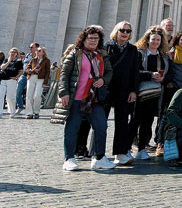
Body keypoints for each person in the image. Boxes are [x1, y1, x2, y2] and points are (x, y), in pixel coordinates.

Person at [59, 26, 115, 171]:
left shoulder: (102, 55)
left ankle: (99, 158)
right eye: (90, 38)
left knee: (101, 126)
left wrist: (103, 80)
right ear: (83, 39)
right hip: (77, 97)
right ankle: (69, 158)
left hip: (94, 98)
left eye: (96, 38)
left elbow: (109, 72)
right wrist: (63, 92)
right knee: (73, 127)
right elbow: (64, 74)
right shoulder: (75, 53)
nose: (93, 41)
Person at [103, 21, 140, 165]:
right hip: (107, 88)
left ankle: (120, 153)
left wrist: (134, 91)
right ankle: (98, 154)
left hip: (124, 90)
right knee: (101, 123)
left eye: (128, 31)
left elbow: (135, 72)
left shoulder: (133, 50)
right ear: (116, 31)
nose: (125, 33)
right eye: (122, 30)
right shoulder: (106, 46)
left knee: (122, 122)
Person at [132, 26, 171, 160]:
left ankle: (142, 149)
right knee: (135, 121)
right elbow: (134, 71)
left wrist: (163, 78)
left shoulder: (164, 56)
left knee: (147, 122)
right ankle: (126, 148)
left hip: (156, 94)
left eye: (158, 40)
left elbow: (170, 74)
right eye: (153, 39)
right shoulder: (139, 53)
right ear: (147, 40)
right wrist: (150, 75)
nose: (155, 42)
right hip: (139, 93)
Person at [23, 46, 50, 119]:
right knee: (29, 95)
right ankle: (29, 113)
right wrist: (33, 70)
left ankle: (36, 112)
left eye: (39, 50)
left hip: (41, 79)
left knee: (37, 95)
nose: (37, 51)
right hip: (31, 77)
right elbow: (27, 69)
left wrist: (45, 82)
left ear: (43, 52)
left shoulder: (46, 61)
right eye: (37, 50)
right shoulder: (33, 60)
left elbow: (48, 72)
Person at [1, 47, 25, 118]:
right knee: (0, 96)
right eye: (11, 52)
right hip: (3, 79)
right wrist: (9, 61)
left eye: (14, 52)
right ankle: (0, 112)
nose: (12, 53)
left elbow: (21, 71)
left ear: (17, 54)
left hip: (12, 80)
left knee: (10, 97)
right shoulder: (6, 60)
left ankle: (12, 112)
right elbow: (2, 68)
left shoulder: (19, 61)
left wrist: (17, 77)